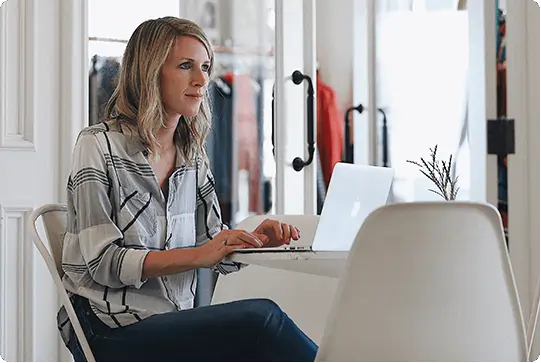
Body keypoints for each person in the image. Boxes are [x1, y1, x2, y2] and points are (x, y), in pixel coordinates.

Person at [58, 16, 318, 362]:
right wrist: (201, 254)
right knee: (262, 321)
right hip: (105, 327)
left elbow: (211, 242)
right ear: (150, 72)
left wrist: (252, 240)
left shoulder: (192, 154)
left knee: (260, 330)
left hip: (168, 320)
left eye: (206, 67)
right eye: (186, 66)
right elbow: (103, 262)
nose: (201, 80)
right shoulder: (98, 146)